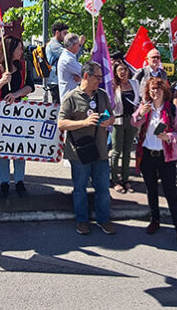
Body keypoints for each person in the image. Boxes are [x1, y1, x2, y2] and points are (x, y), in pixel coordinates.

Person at [131, 77, 177, 249]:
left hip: (166, 157)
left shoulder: (171, 108)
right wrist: (140, 114)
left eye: (158, 89)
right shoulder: (145, 106)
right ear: (148, 91)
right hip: (148, 155)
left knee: (171, 193)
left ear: (163, 91)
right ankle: (154, 220)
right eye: (152, 89)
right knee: (151, 189)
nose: (155, 92)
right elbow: (133, 122)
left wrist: (169, 137)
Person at [58, 61, 116, 235]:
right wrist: (83, 122)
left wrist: (108, 121)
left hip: (100, 150)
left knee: (103, 188)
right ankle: (82, 221)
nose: (100, 80)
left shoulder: (102, 95)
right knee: (80, 189)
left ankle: (103, 220)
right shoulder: (71, 97)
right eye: (97, 77)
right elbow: (61, 123)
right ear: (86, 76)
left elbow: (111, 116)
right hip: (79, 152)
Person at [0, 35, 35, 198]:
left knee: (19, 148)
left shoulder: (24, 67)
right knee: (2, 148)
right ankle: (4, 182)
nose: (21, 51)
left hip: (18, 113)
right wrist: (2, 82)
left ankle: (19, 180)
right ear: (10, 50)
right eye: (19, 48)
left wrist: (16, 93)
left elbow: (30, 87)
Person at [109, 60, 140, 193]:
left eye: (125, 70)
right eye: (120, 70)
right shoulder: (113, 86)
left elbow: (138, 100)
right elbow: (110, 103)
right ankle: (115, 179)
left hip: (131, 120)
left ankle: (126, 179)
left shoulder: (135, 83)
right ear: (115, 72)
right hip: (118, 121)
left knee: (128, 151)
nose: (123, 72)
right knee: (117, 151)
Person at [45, 22, 69, 104]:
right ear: (57, 33)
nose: (66, 36)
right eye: (64, 33)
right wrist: (79, 44)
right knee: (58, 107)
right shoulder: (54, 45)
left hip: (58, 80)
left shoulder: (59, 45)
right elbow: (69, 56)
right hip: (56, 81)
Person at [57, 33, 84, 101]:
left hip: (72, 97)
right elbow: (85, 72)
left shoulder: (69, 57)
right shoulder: (68, 60)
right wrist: (83, 78)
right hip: (70, 99)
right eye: (78, 44)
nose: (79, 46)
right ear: (74, 45)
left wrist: (81, 78)